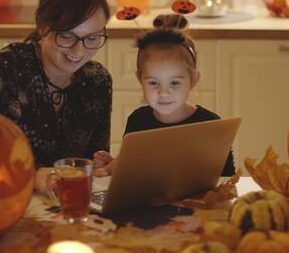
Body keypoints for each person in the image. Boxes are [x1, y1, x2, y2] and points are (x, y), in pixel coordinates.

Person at [0, 0, 112, 187]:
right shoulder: (5, 70)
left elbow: (93, 160)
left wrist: (105, 166)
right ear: (42, 26)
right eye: (66, 36)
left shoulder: (98, 80)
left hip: (70, 203)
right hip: (9, 197)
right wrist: (34, 177)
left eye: (92, 38)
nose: (78, 51)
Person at [94, 14, 235, 177]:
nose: (163, 93)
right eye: (153, 83)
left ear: (193, 80)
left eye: (174, 83)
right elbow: (134, 164)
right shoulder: (138, 120)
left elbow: (227, 180)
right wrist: (110, 165)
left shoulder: (211, 126)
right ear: (140, 80)